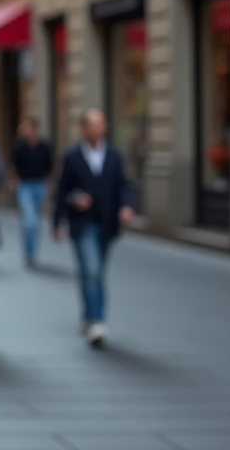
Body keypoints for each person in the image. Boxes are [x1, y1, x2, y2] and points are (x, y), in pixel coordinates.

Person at [53, 108, 135, 349]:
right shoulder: (72, 156)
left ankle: (89, 314)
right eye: (91, 124)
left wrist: (127, 206)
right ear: (83, 128)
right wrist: (59, 219)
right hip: (82, 222)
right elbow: (62, 191)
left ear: (105, 127)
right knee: (91, 269)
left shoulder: (114, 155)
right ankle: (97, 321)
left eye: (100, 124)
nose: (96, 129)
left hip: (107, 222)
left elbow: (124, 185)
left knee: (96, 272)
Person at [10, 116, 54, 268]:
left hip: (39, 185)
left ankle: (32, 252)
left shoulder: (43, 146)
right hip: (25, 186)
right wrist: (14, 181)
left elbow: (49, 165)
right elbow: (13, 165)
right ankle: (28, 253)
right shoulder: (19, 146)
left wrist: (48, 183)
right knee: (30, 221)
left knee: (35, 222)